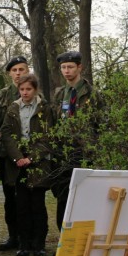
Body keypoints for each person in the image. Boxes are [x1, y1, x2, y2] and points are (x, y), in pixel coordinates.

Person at [0, 73, 54, 256]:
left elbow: (48, 136)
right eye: (22, 89)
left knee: (37, 205)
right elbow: (6, 134)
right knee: (21, 205)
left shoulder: (44, 108)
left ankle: (38, 244)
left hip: (37, 162)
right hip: (18, 163)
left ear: (35, 89)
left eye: (28, 89)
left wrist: (32, 157)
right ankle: (24, 244)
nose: (25, 92)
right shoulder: (13, 108)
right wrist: (17, 157)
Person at [51, 50, 96, 233]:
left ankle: (83, 238)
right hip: (63, 153)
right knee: (63, 197)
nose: (66, 71)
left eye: (70, 67)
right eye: (63, 67)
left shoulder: (92, 94)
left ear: (79, 67)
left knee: (83, 196)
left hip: (84, 152)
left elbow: (101, 123)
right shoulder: (60, 94)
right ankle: (64, 241)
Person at [0, 55, 30, 252]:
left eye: (21, 69)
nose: (18, 73)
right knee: (9, 198)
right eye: (14, 70)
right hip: (6, 155)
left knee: (28, 197)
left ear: (27, 70)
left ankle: (28, 237)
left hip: (29, 155)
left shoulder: (35, 94)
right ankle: (13, 236)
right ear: (9, 74)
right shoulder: (1, 96)